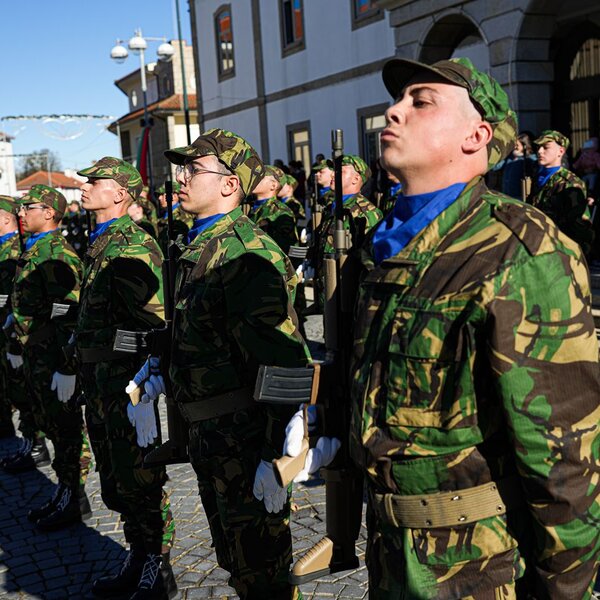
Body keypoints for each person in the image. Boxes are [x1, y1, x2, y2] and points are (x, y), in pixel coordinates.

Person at [339, 56, 600, 598]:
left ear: (475, 135)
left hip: (478, 565)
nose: (393, 111)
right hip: (391, 552)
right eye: (398, 99)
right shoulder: (383, 245)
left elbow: (564, 454)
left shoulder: (520, 248)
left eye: (421, 101)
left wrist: (567, 587)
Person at [128, 128, 311, 599]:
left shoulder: (246, 251)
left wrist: (278, 456)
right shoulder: (198, 247)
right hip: (211, 437)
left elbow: (284, 360)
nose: (181, 178)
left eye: (193, 169)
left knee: (263, 573)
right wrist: (158, 363)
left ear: (230, 185)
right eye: (182, 169)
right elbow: (203, 332)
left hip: (245, 440)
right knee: (237, 565)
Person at [75, 157, 176, 600]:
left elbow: (155, 323)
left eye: (94, 182)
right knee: (115, 478)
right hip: (100, 383)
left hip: (127, 385)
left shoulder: (132, 245)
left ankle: (158, 564)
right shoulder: (100, 244)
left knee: (141, 477)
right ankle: (137, 553)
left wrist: (144, 380)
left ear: (120, 193)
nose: (84, 188)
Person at [7, 184, 91, 530]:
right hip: (36, 354)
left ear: (51, 213)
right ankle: (66, 490)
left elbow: (68, 315)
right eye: (21, 208)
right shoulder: (36, 249)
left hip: (52, 357)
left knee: (67, 428)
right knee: (53, 426)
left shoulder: (57, 253)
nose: (22, 213)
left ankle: (74, 494)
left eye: (31, 207)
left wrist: (65, 367)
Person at [312, 154, 382, 306]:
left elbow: (370, 260)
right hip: (329, 289)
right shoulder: (331, 208)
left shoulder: (366, 213)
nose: (332, 174)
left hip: (349, 294)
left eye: (340, 172)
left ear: (356, 179)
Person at [528, 129, 594, 254]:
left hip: (561, 250)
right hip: (538, 245)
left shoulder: (570, 183)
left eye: (546, 147)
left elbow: (579, 225)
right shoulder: (536, 178)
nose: (539, 151)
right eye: (539, 147)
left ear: (561, 151)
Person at [249, 164, 298, 254]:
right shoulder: (247, 207)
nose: (254, 179)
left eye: (260, 177)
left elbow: (289, 249)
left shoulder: (280, 211)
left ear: (273, 185)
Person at [155, 181, 193, 252]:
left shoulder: (182, 216)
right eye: (158, 195)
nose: (159, 198)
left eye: (162, 194)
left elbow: (182, 245)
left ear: (175, 196)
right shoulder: (165, 214)